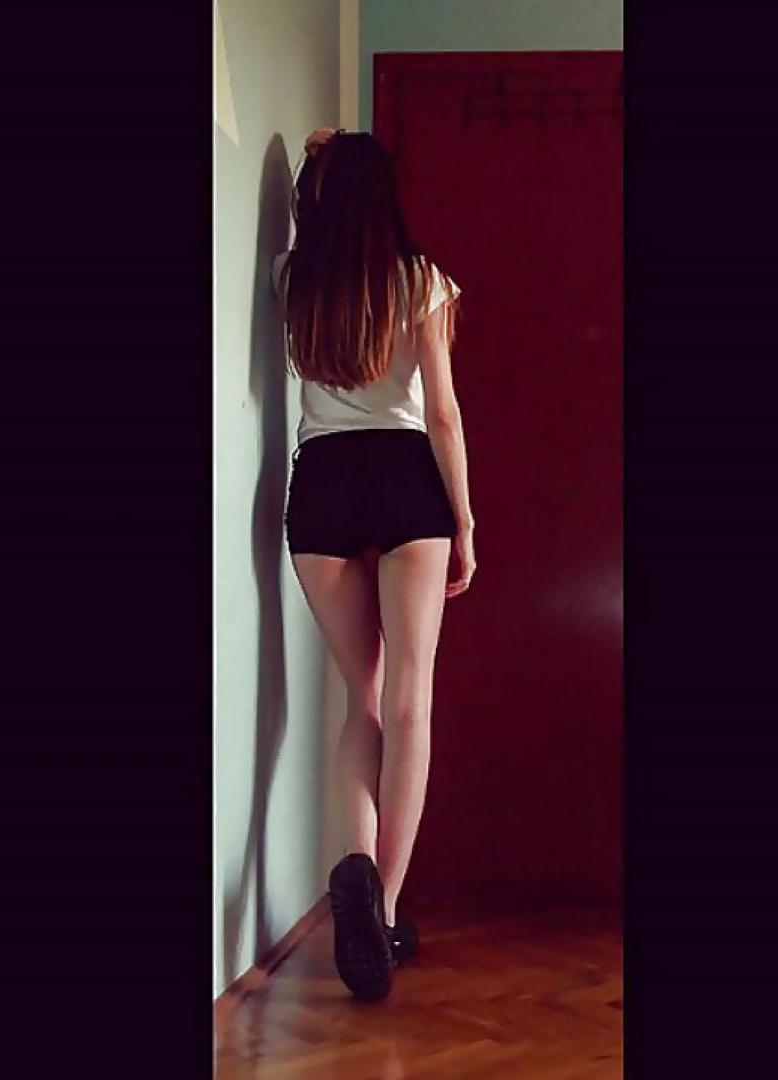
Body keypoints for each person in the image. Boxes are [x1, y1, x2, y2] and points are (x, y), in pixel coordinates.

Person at [270, 127, 476, 1001]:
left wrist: (320, 163)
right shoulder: (421, 280)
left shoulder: (295, 279)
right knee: (409, 702)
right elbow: (443, 415)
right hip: (404, 478)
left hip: (322, 482)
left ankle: (354, 861)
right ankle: (382, 907)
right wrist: (464, 521)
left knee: (362, 698)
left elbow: (311, 208)